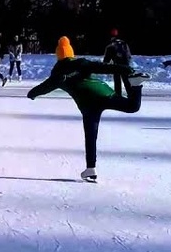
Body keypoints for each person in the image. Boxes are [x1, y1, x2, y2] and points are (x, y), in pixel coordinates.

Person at [26, 36, 149, 182]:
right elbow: (103, 67)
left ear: (58, 55)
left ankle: (91, 167)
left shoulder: (57, 73)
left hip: (88, 104)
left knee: (91, 136)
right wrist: (126, 69)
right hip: (103, 92)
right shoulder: (81, 63)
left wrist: (32, 94)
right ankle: (136, 85)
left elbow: (44, 87)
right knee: (132, 106)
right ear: (71, 53)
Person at [103, 28, 133, 96]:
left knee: (117, 80)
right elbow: (129, 55)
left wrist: (105, 65)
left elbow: (107, 59)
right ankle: (130, 94)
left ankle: (118, 94)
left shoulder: (110, 45)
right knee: (126, 80)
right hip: (126, 64)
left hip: (117, 65)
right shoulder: (124, 43)